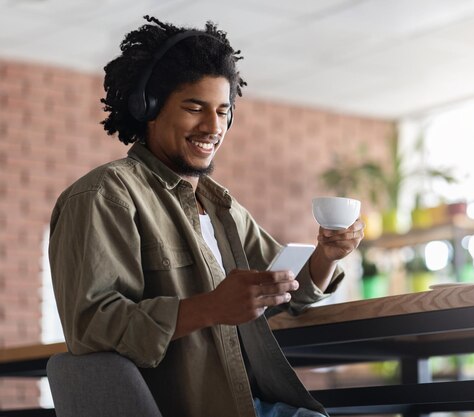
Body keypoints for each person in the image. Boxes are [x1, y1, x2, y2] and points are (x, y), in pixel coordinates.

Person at [48, 15, 364, 417]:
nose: (213, 126)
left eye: (222, 110)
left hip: (250, 402)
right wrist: (211, 307)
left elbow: (283, 288)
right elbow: (92, 327)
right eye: (195, 108)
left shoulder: (220, 205)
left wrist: (327, 256)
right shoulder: (105, 195)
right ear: (149, 108)